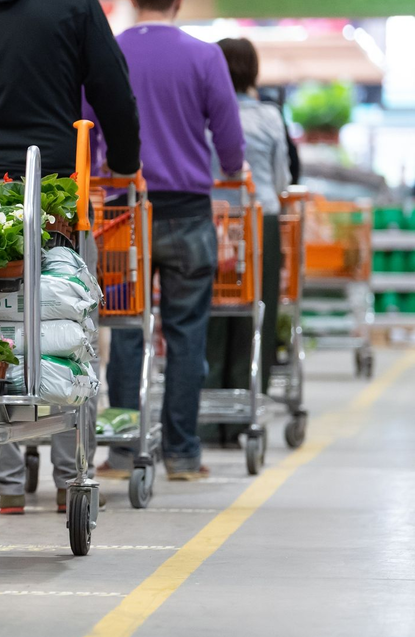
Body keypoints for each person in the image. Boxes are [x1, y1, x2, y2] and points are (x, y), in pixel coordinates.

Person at [0, 0, 141, 514]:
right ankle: (71, 474)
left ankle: (4, 477)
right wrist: (125, 160)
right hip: (55, 189)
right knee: (70, 322)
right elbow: (111, 87)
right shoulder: (73, 5)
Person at [97, 0, 245, 481]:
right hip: (188, 213)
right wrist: (233, 168)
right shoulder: (205, 57)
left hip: (123, 214)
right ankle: (181, 454)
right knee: (186, 334)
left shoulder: (108, 52)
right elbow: (229, 139)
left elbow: (86, 126)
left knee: (123, 330)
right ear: (177, 4)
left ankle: (121, 452)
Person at [200, 37, 291, 447]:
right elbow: (282, 178)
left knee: (211, 311)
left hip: (213, 219)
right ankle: (245, 411)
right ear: (253, 72)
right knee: (257, 310)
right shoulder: (270, 116)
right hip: (259, 220)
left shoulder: (203, 113)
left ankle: (205, 415)